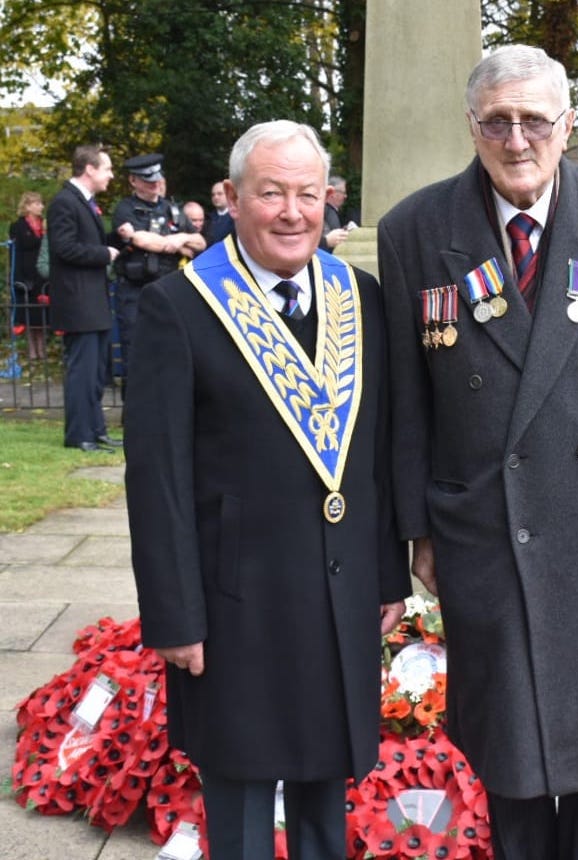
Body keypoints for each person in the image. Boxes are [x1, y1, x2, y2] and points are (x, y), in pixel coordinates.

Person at [378, 45, 578, 860]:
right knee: (510, 758)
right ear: (472, 125)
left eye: (533, 120)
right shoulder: (416, 229)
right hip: (487, 528)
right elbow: (408, 401)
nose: (516, 139)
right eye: (497, 121)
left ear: (567, 124)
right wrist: (417, 528)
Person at [124, 120, 409, 860]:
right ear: (232, 198)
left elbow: (372, 451)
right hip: (233, 607)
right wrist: (174, 615)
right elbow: (156, 483)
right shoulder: (179, 309)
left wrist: (387, 576)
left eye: (308, 195)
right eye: (272, 193)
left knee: (325, 799)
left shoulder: (362, 299)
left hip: (339, 592)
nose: (292, 212)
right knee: (243, 808)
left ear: (328, 201)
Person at [46, 145, 121, 452]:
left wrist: (117, 240)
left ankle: (96, 429)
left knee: (95, 374)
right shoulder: (65, 202)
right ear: (89, 169)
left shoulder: (84, 202)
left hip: (93, 301)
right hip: (79, 303)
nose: (111, 175)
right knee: (82, 370)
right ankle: (78, 434)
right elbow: (63, 248)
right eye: (107, 168)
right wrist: (105, 254)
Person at [111, 154, 206, 390]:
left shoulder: (172, 209)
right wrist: (171, 244)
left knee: (171, 349)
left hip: (167, 289)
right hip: (135, 290)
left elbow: (199, 242)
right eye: (147, 180)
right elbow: (141, 241)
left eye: (157, 178)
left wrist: (180, 238)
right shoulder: (126, 209)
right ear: (134, 181)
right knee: (135, 350)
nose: (154, 183)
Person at [8, 191, 50, 361]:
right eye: (36, 203)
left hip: (42, 273)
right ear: (27, 206)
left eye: (41, 203)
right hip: (26, 273)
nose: (41, 206)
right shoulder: (18, 225)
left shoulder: (45, 224)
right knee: (29, 313)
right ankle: (32, 350)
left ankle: (42, 348)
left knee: (42, 313)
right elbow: (24, 245)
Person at [318, 175, 351, 251]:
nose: (345, 196)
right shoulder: (327, 211)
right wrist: (326, 241)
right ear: (332, 193)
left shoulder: (328, 211)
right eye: (343, 192)